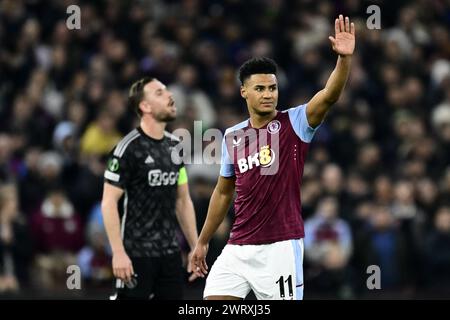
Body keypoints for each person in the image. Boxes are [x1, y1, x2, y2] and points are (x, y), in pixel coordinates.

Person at [190, 15, 355, 300]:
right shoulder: (232, 136)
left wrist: (343, 60)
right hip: (238, 247)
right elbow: (222, 191)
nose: (268, 94)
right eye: (260, 88)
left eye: (272, 88)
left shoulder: (296, 123)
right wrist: (202, 241)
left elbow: (329, 95)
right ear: (244, 92)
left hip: (280, 248)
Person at [102, 77, 199, 300]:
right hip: (136, 255)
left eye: (167, 91)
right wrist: (118, 253)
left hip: (170, 255)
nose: (170, 95)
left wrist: (195, 246)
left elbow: (182, 200)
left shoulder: (175, 146)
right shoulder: (127, 149)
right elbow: (108, 202)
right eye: (159, 93)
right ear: (144, 106)